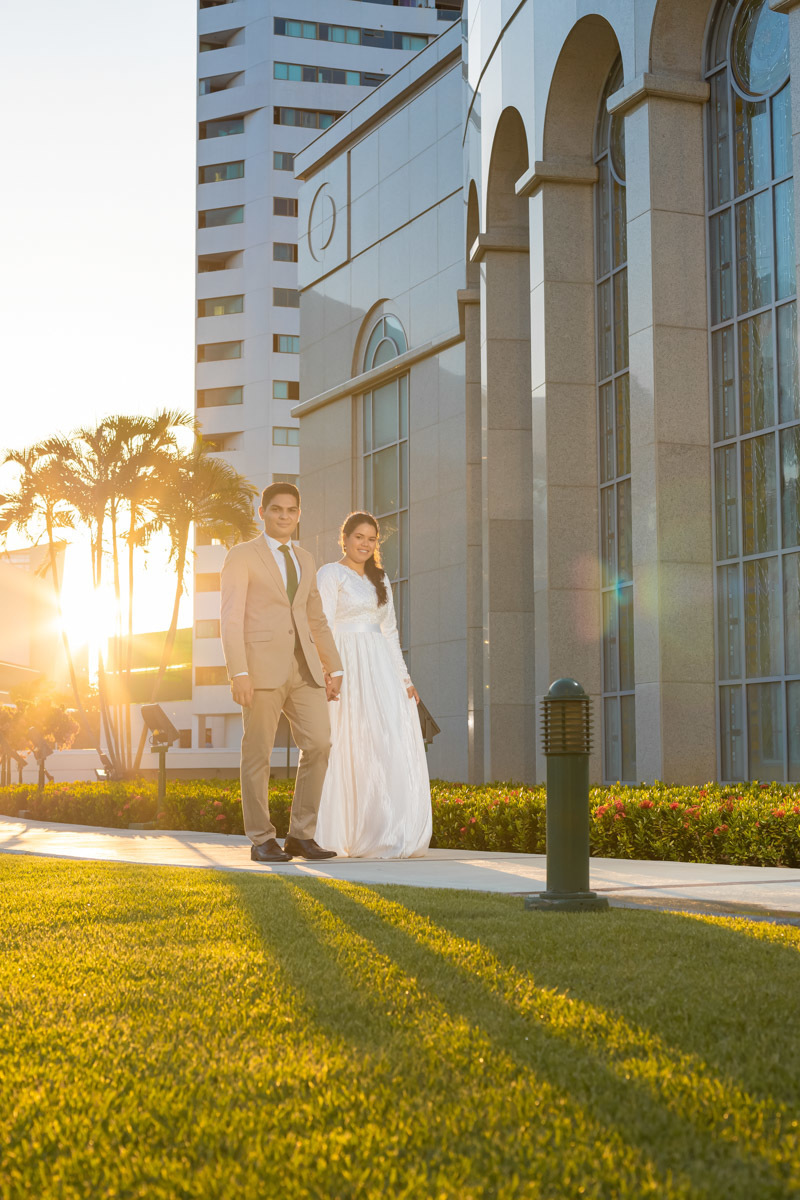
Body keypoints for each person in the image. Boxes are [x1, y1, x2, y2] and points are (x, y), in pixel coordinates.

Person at [220, 483, 343, 863]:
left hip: (304, 668)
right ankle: (261, 838)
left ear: (299, 514)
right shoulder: (241, 556)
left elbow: (315, 617)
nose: (284, 516)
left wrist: (334, 666)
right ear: (263, 513)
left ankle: (300, 836)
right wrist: (238, 671)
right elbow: (230, 616)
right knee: (258, 753)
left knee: (319, 744)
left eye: (291, 510)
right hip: (258, 670)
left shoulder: (305, 558)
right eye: (277, 510)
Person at [314, 512, 432, 859]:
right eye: (358, 537)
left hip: (380, 666)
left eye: (371, 539)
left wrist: (405, 680)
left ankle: (388, 829)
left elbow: (390, 632)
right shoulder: (330, 573)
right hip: (346, 665)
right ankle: (344, 833)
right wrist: (329, 670)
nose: (364, 544)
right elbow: (322, 625)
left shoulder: (381, 579)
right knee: (349, 742)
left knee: (385, 741)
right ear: (345, 538)